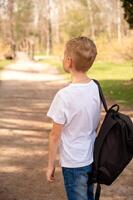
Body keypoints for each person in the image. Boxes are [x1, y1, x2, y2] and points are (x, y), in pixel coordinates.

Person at [46, 36, 102, 200]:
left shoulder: (64, 96)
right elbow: (95, 123)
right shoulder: (95, 88)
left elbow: (55, 135)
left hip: (73, 162)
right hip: (92, 157)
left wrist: (51, 165)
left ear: (69, 61)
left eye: (64, 56)